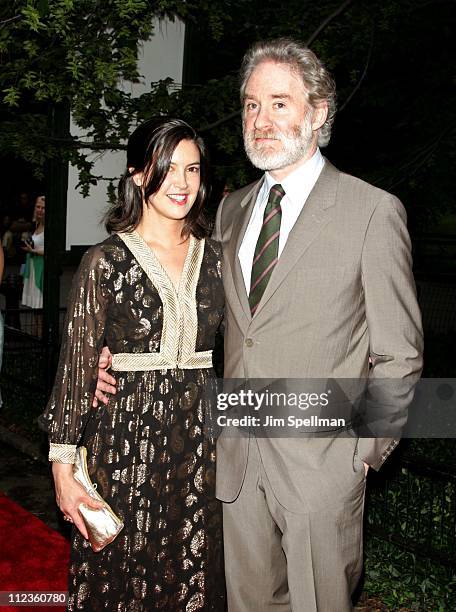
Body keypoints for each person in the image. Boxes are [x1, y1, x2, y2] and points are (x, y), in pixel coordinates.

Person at [96, 40, 423, 611]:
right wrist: (114, 356)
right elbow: (199, 311)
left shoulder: (371, 211)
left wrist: (363, 453)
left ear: (318, 113)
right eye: (251, 105)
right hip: (238, 461)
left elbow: (400, 354)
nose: (260, 121)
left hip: (323, 465)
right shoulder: (231, 209)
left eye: (279, 103)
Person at [40, 118, 225, 611]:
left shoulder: (219, 260)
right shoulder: (105, 261)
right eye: (167, 168)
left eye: (193, 169)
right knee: (123, 580)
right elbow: (77, 367)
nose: (183, 183)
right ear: (139, 175)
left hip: (200, 448)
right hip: (125, 443)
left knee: (192, 577)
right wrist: (62, 467)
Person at [21, 194, 45, 309]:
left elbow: (52, 250)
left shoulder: (50, 226)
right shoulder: (36, 224)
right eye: (38, 207)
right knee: (35, 311)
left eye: (43, 208)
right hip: (32, 267)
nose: (40, 210)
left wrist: (34, 251)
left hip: (41, 270)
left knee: (40, 309)